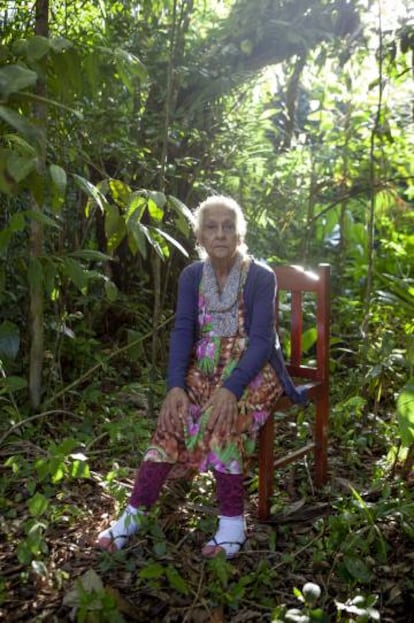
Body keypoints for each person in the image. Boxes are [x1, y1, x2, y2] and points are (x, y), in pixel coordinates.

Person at [98, 195, 307, 559]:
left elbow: (261, 341)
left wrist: (231, 388)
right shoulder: (192, 276)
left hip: (254, 369)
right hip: (206, 368)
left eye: (229, 226)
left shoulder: (260, 276)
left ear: (240, 234)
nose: (221, 233)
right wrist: (175, 386)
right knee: (173, 416)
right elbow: (182, 331)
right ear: (200, 237)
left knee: (223, 416)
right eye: (212, 227)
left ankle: (231, 525)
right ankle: (133, 515)